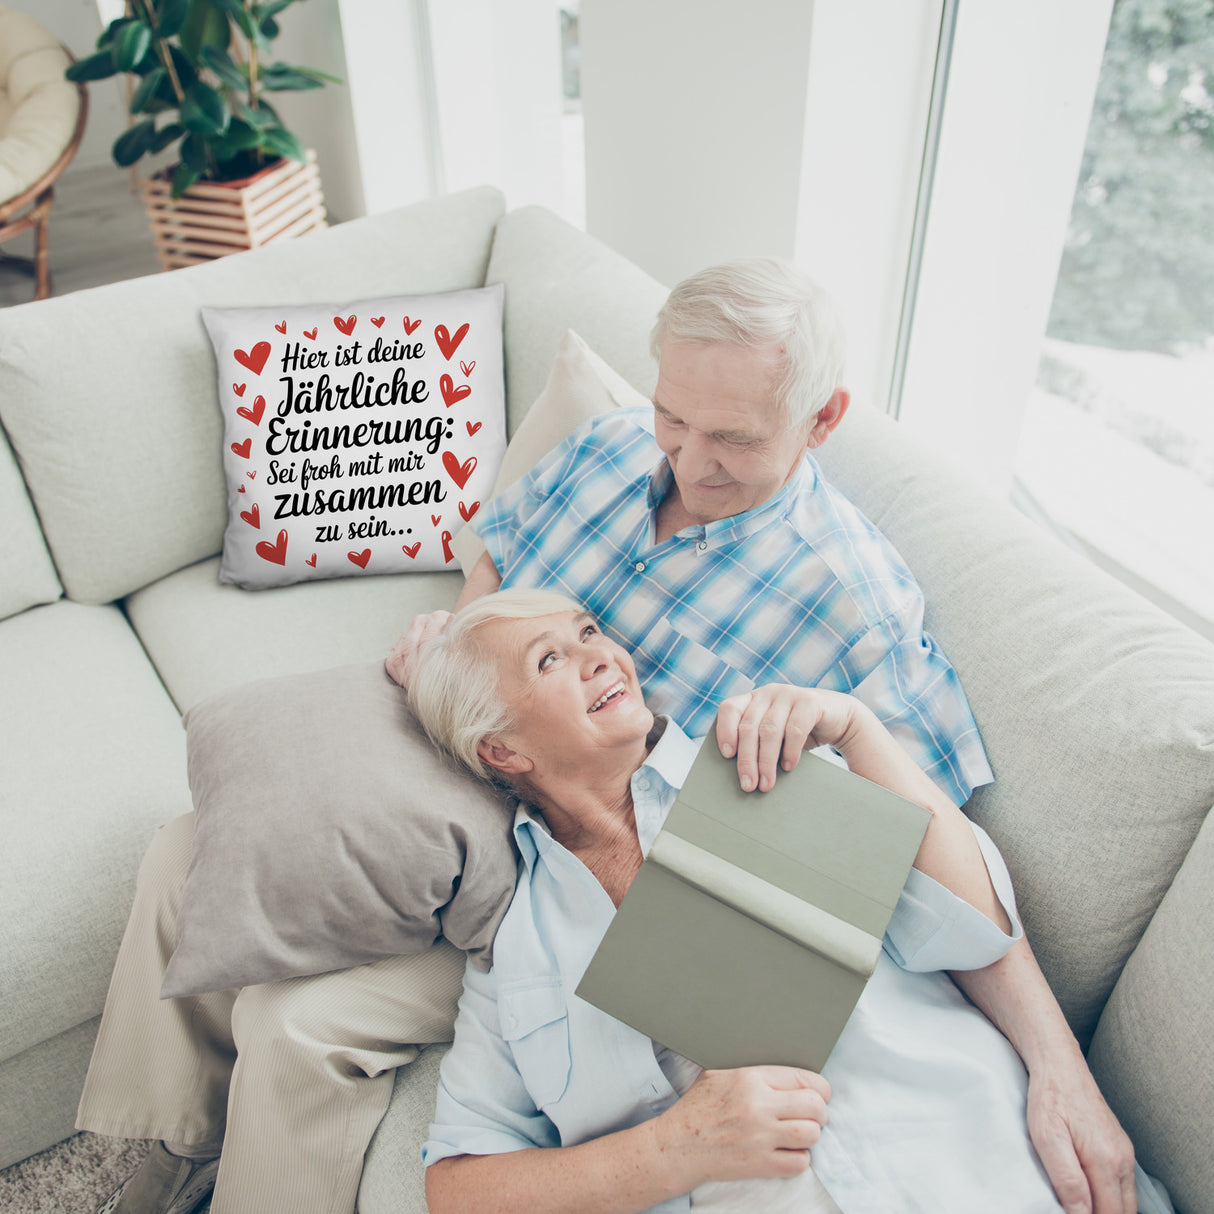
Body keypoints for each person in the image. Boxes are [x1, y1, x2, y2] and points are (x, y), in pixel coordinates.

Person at [389, 259, 1137, 1213]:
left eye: (732, 438)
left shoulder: (831, 660)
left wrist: (1058, 1069)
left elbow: (943, 884)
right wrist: (463, 659)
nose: (689, 462)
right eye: (674, 418)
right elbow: (501, 547)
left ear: (822, 420)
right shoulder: (609, 450)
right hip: (495, 836)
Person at [407, 589, 1161, 1214]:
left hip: (985, 1166)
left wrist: (859, 731)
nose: (601, 655)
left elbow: (973, 929)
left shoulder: (762, 762)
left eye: (589, 632)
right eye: (551, 659)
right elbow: (458, 1187)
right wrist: (673, 1150)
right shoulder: (516, 951)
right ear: (502, 750)